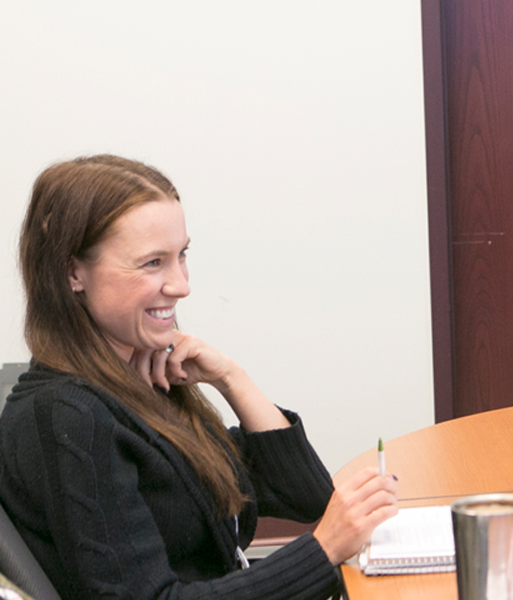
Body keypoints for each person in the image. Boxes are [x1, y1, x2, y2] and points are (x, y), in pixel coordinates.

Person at [0, 155, 398, 600]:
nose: (181, 284)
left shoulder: (141, 380)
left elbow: (308, 496)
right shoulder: (68, 418)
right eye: (152, 263)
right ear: (74, 272)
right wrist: (322, 551)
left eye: (181, 255)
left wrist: (232, 379)